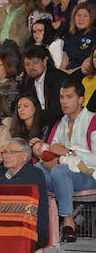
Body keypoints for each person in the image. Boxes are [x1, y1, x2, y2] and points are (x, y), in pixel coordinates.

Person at [31, 80, 96, 242]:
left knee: (60, 171)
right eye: (61, 97)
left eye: (69, 97)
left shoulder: (93, 121)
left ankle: (68, 221)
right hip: (61, 176)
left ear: (81, 99)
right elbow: (51, 154)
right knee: (34, 171)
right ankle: (41, 223)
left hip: (88, 175)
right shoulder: (60, 124)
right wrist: (41, 150)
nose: (64, 101)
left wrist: (68, 152)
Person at [61, 3, 96, 73]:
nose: (81, 19)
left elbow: (90, 61)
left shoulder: (94, 33)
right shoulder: (69, 34)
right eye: (78, 15)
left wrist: (73, 72)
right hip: (69, 70)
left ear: (91, 18)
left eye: (85, 16)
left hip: (86, 72)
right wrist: (61, 71)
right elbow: (65, 59)